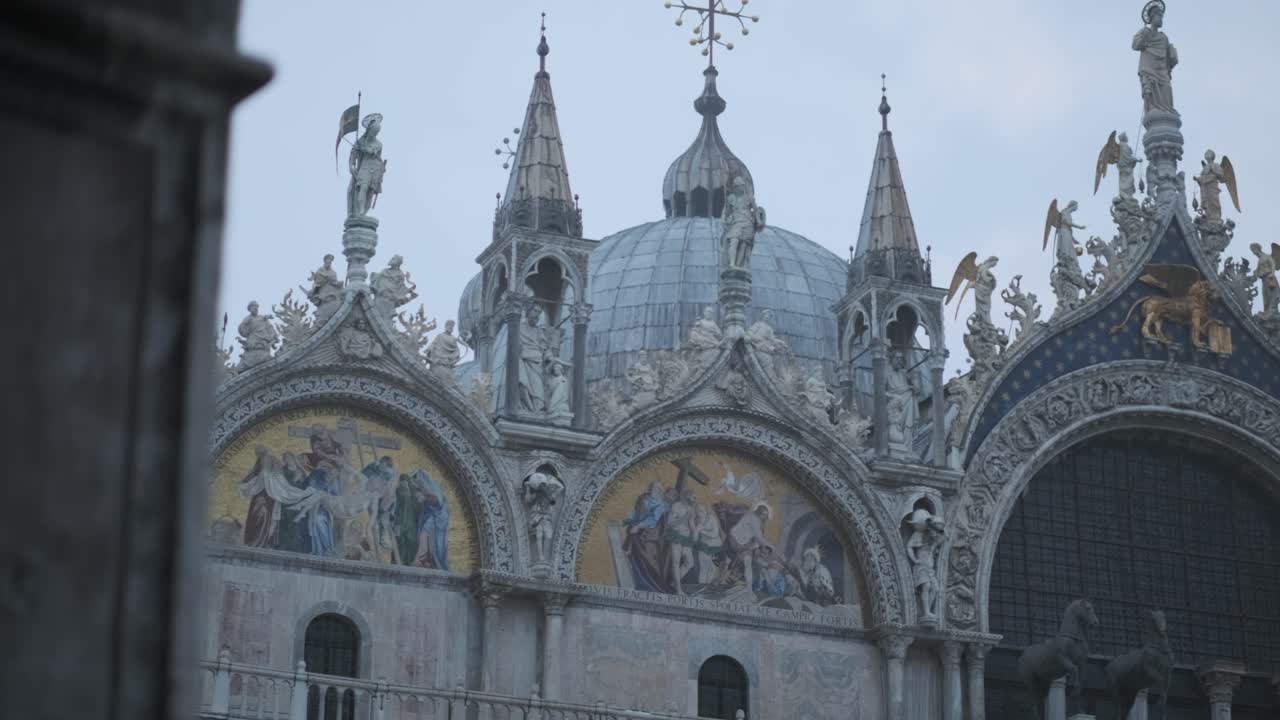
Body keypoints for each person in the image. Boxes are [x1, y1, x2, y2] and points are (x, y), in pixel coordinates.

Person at [1132, 2, 1177, 114]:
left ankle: (1167, 111)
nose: (1161, 19)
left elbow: (1169, 58)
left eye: (1162, 16)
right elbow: (1135, 45)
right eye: (1159, 16)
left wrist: (1173, 54)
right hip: (1149, 68)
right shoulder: (1144, 32)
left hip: (1162, 70)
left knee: (1167, 88)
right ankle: (1152, 109)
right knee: (1150, 93)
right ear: (1152, 17)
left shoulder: (1164, 37)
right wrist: (1144, 38)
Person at [727, 502, 773, 594]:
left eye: (766, 515)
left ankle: (749, 588)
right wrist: (771, 546)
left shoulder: (758, 523)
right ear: (758, 512)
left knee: (748, 564)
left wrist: (756, 547)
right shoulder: (753, 518)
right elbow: (759, 538)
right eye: (763, 514)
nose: (764, 517)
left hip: (745, 545)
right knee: (743, 562)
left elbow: (756, 540)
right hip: (735, 541)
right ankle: (745, 586)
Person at [348, 113, 386, 216]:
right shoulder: (360, 142)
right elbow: (352, 156)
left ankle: (364, 212)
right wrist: (352, 166)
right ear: (369, 130)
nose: (375, 134)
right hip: (364, 167)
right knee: (363, 187)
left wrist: (381, 167)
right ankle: (360, 210)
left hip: (375, 168)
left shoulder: (379, 144)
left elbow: (378, 157)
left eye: (376, 132)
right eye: (374, 131)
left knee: (371, 192)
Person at [517, 305, 548, 413]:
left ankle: (538, 408)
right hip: (525, 362)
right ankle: (529, 407)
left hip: (537, 363)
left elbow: (544, 348)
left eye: (539, 313)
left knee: (538, 386)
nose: (537, 315)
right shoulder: (518, 328)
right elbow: (516, 348)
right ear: (528, 311)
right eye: (535, 311)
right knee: (524, 383)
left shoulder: (539, 331)